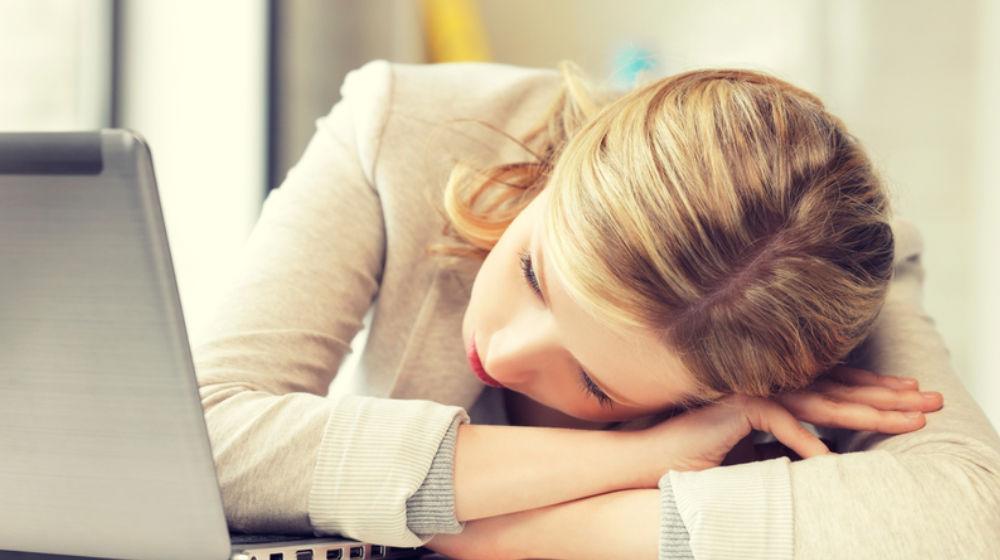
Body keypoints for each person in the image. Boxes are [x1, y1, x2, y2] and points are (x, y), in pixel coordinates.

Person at [191, 58, 1000, 559]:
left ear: (725, 390)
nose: (504, 351)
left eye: (597, 383)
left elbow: (971, 522)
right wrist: (640, 458)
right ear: (568, 165)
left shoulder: (821, 273)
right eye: (536, 270)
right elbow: (202, 441)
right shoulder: (401, 129)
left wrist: (514, 538)